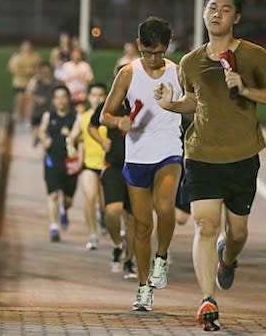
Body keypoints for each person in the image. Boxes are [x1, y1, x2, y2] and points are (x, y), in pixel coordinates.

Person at [155, 0, 266, 331]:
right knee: (205, 225)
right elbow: (192, 102)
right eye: (212, 7)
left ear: (236, 17)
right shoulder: (190, 61)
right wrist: (171, 105)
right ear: (204, 12)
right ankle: (207, 300)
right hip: (201, 154)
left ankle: (228, 259)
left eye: (225, 9)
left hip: (242, 154)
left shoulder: (253, 55)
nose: (217, 13)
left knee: (237, 231)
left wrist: (245, 88)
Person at [101, 16, 184, 312]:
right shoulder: (127, 73)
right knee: (141, 226)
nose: (153, 59)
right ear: (139, 46)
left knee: (164, 207)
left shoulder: (177, 72)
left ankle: (162, 256)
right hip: (137, 154)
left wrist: (175, 103)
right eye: (148, 52)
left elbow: (194, 103)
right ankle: (144, 287)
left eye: (159, 52)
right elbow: (104, 115)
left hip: (169, 150)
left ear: (167, 47)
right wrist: (120, 120)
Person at [89, 79, 137, 279]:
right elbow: (93, 125)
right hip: (114, 166)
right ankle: (118, 243)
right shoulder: (110, 104)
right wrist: (102, 141)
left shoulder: (144, 102)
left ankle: (129, 261)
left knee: (134, 220)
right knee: (112, 211)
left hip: (138, 166)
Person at [66, 83, 108, 250]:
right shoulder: (83, 117)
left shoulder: (109, 117)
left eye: (100, 95)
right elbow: (72, 137)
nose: (97, 98)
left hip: (107, 165)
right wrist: (71, 147)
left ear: (105, 97)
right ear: (88, 97)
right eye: (94, 95)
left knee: (106, 203)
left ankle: (104, 219)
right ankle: (92, 234)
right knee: (90, 197)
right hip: (89, 165)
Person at [38, 85, 79, 242]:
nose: (61, 100)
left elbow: (79, 136)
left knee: (68, 199)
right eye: (57, 97)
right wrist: (44, 139)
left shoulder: (76, 117)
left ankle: (64, 210)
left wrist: (71, 137)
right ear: (53, 100)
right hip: (52, 160)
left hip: (70, 163)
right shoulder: (49, 116)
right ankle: (53, 227)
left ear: (69, 99)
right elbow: (41, 131)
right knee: (53, 194)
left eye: (64, 97)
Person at [8, 40, 42, 124]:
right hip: (19, 82)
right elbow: (12, 69)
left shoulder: (36, 57)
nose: (27, 48)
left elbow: (40, 68)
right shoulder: (16, 57)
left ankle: (28, 118)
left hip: (31, 83)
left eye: (28, 46)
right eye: (25, 46)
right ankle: (19, 116)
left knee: (29, 100)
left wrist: (32, 71)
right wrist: (25, 71)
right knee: (20, 99)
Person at [26, 61, 60, 145]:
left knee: (47, 131)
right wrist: (37, 99)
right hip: (38, 110)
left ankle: (42, 142)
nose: (46, 74)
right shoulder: (35, 81)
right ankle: (38, 136)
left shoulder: (56, 82)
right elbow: (29, 93)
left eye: (47, 71)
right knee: (37, 127)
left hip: (50, 110)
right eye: (44, 71)